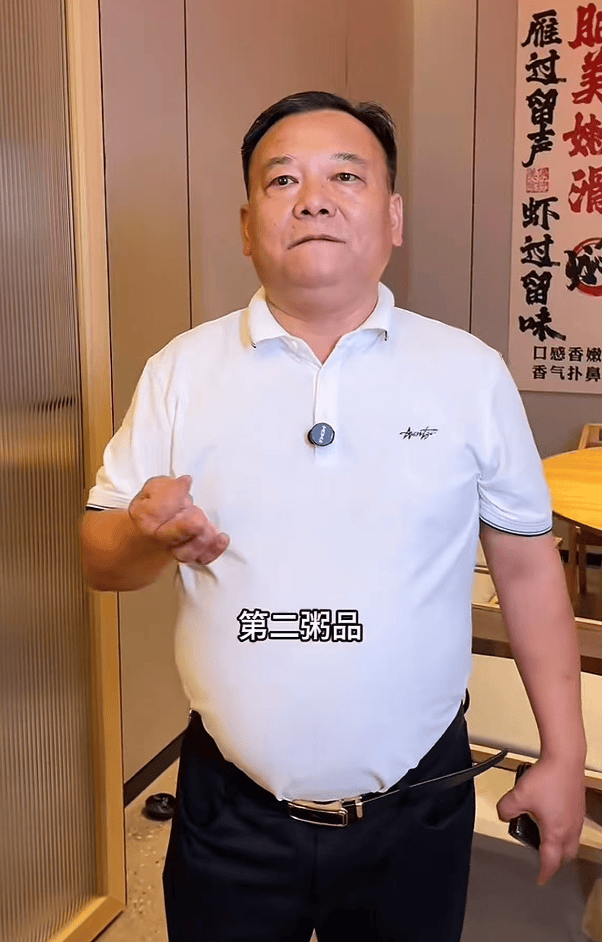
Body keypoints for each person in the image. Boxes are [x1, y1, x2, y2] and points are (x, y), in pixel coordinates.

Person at [80, 90, 587, 942]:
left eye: (345, 177)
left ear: (393, 218)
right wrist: (142, 533)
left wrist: (564, 753)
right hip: (229, 806)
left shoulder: (468, 373)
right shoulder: (181, 372)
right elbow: (101, 560)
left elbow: (529, 571)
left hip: (420, 804)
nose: (313, 199)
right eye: (283, 180)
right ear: (248, 227)